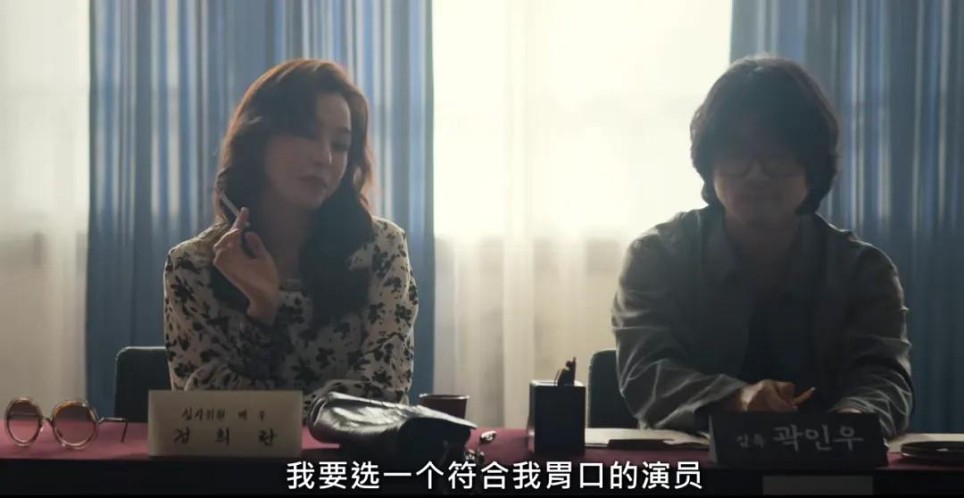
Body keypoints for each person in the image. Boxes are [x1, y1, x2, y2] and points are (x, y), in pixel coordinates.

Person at [611, 55, 913, 439]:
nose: (756, 174)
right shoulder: (657, 257)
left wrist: (853, 421)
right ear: (709, 165)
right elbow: (646, 373)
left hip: (826, 462)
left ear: (813, 169)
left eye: (777, 155)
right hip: (692, 461)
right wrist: (736, 400)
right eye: (736, 154)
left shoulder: (864, 271)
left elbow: (885, 377)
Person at [162, 59, 419, 420]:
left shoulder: (382, 248)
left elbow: (385, 392)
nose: (325, 158)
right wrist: (261, 311)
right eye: (307, 134)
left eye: (340, 145)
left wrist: (275, 412)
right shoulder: (193, 266)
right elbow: (208, 411)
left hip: (348, 456)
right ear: (258, 139)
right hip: (240, 458)